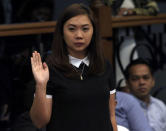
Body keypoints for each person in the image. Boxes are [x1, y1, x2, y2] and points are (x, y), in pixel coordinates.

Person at [30, 3, 117, 131]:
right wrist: (41, 85)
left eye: (85, 29)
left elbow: (111, 117)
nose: (79, 35)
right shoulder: (50, 69)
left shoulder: (104, 66)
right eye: (72, 29)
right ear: (62, 32)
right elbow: (39, 122)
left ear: (93, 31)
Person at [124, 58, 166, 131]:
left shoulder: (160, 105)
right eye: (135, 79)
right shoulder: (123, 109)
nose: (141, 82)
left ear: (153, 81)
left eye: (146, 78)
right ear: (127, 83)